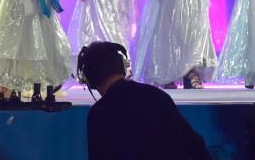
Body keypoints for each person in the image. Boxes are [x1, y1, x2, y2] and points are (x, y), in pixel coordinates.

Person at [79, 41, 211, 160]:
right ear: (122, 66)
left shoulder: (98, 114)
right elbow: (195, 145)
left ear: (89, 79)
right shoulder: (157, 96)